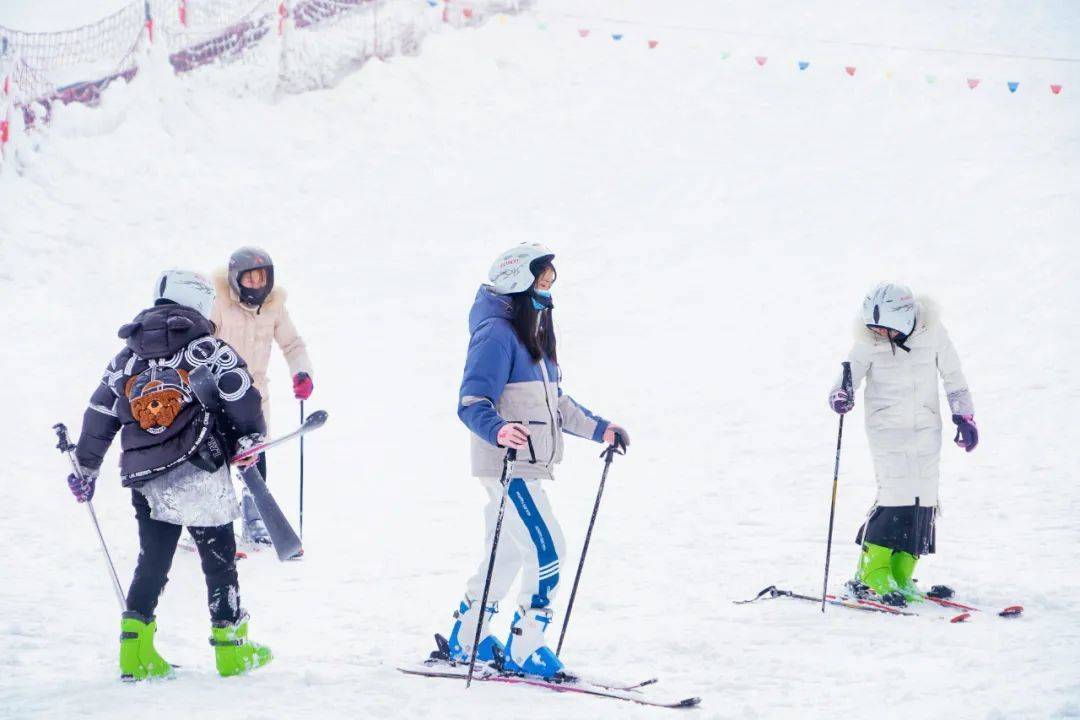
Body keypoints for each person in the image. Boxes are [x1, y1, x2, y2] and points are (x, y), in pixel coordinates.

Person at [68, 270, 272, 680]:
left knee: (153, 560)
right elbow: (240, 395)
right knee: (219, 561)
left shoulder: (127, 356)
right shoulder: (208, 350)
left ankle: (135, 652)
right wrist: (250, 440)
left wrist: (87, 467)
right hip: (200, 468)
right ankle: (231, 649)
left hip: (144, 474)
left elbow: (100, 414)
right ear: (198, 303)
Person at [440, 243, 629, 679]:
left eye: (550, 282)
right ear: (517, 282)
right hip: (510, 467)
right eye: (541, 282)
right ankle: (525, 646)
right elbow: (471, 402)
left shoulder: (530, 334)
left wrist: (601, 429)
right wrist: (500, 429)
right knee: (548, 550)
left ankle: (467, 635)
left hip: (525, 465)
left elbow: (555, 404)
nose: (548, 291)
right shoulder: (496, 334)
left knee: (505, 552)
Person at [828, 282, 978, 607]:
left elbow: (954, 377)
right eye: (874, 327)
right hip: (887, 429)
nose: (880, 333)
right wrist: (841, 395)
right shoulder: (867, 342)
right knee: (895, 495)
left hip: (926, 427)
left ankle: (900, 572)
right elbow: (847, 377)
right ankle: (871, 574)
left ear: (907, 318)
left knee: (923, 497)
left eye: (886, 328)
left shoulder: (933, 332)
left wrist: (964, 416)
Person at [211, 247, 313, 546]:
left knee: (254, 453)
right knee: (214, 455)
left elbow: (293, 345)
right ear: (234, 279)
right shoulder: (218, 304)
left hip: (255, 394)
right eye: (249, 279)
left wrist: (301, 373)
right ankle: (210, 521)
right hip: (218, 392)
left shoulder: (274, 307)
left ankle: (255, 519)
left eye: (262, 278)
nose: (256, 285)